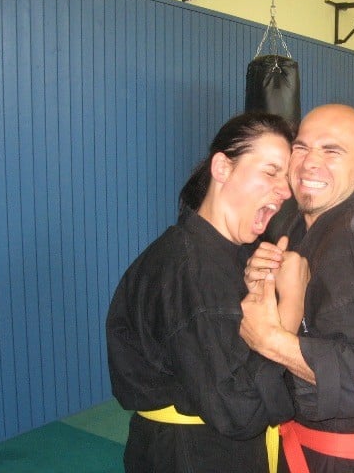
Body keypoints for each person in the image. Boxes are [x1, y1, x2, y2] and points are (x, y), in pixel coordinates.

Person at [106, 111, 309, 473]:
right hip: (197, 455)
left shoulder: (230, 255)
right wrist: (290, 308)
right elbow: (238, 411)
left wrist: (263, 293)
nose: (285, 190)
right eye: (270, 171)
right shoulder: (190, 268)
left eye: (286, 176)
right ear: (222, 168)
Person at [239, 104, 354, 472]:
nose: (310, 163)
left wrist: (271, 340)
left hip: (338, 461)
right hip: (302, 443)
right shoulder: (301, 226)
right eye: (302, 147)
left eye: (332, 150)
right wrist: (263, 282)